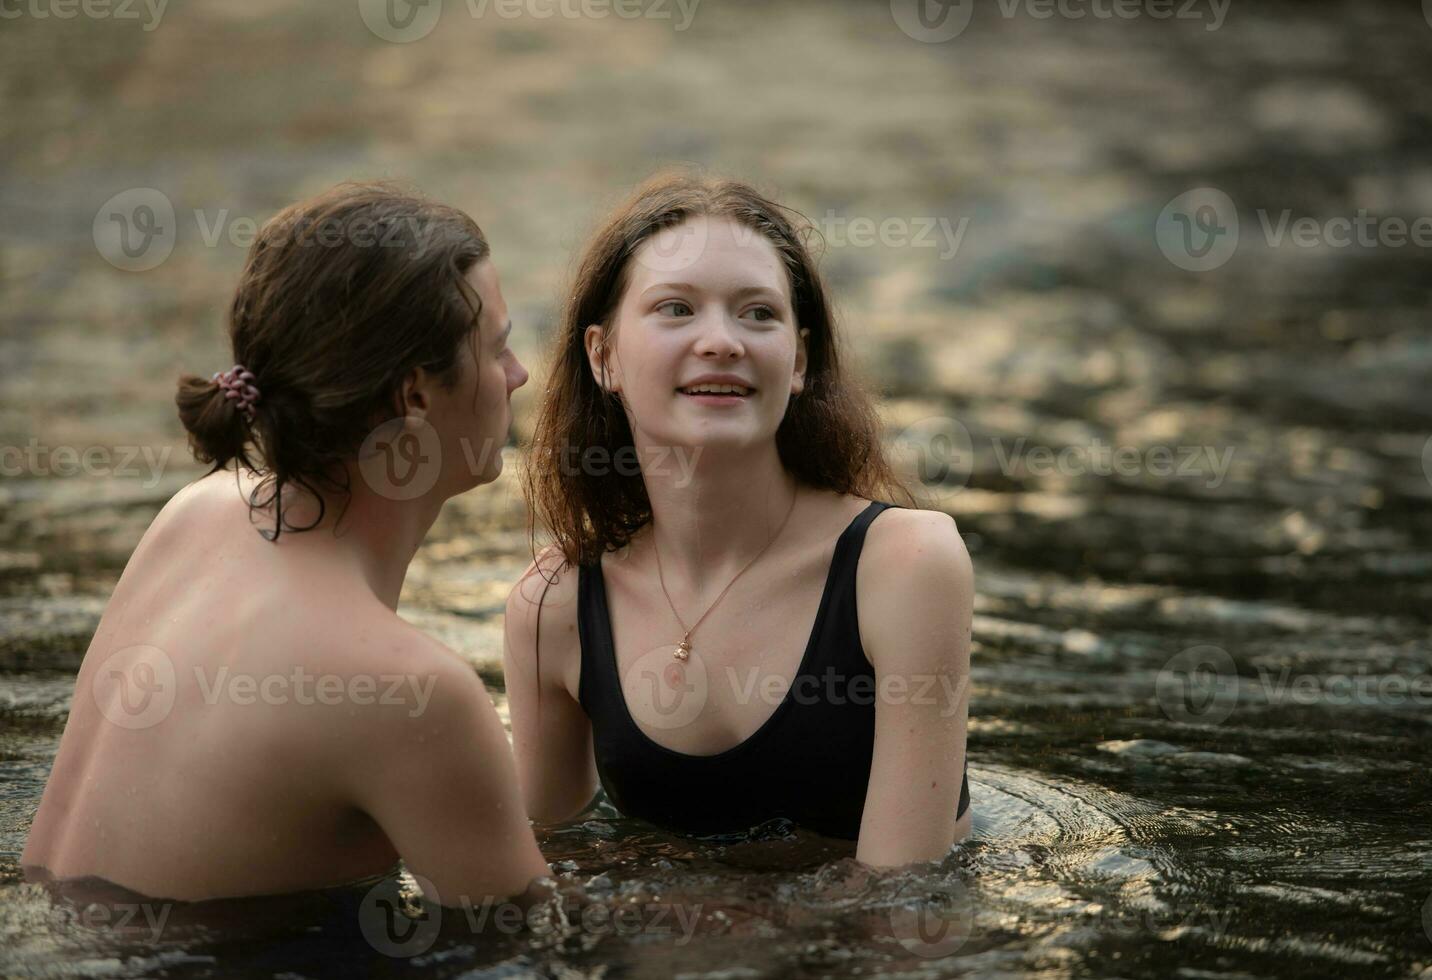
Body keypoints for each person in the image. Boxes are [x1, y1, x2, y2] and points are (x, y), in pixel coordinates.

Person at [23, 182, 551, 904]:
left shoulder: (196, 513)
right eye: (499, 348)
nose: (519, 376)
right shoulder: (416, 694)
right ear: (415, 396)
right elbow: (529, 943)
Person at [504, 172, 974, 868]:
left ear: (800, 362)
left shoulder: (906, 565)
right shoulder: (553, 606)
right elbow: (552, 873)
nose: (723, 341)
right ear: (603, 357)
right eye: (676, 309)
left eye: (758, 314)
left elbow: (898, 907)